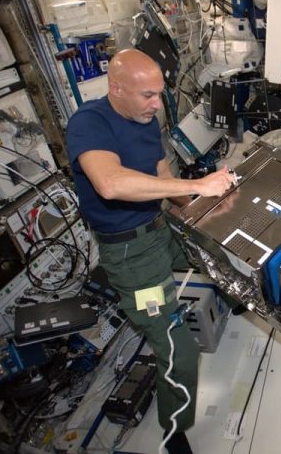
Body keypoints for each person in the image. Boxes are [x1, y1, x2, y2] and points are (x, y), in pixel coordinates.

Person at [66, 49, 234, 454]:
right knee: (179, 348)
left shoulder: (146, 117)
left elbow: (161, 176)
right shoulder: (89, 123)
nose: (157, 104)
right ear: (116, 88)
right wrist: (197, 186)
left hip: (161, 229)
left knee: (220, 252)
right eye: (147, 95)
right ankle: (174, 429)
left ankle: (236, 299)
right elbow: (111, 183)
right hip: (131, 258)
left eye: (159, 94)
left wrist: (207, 210)